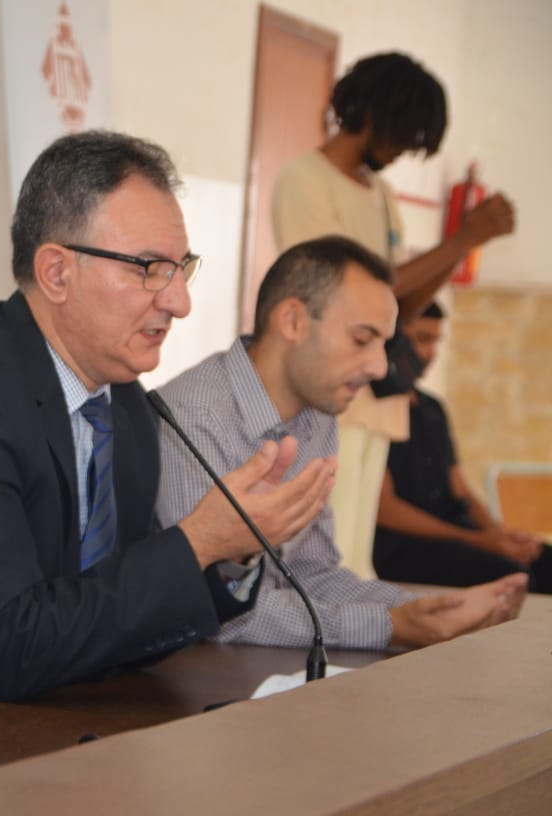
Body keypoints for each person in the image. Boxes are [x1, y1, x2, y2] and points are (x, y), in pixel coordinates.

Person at [0, 131, 335, 727]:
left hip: (67, 720)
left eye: (181, 268)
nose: (179, 301)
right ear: (56, 272)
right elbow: (10, 645)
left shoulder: (126, 403)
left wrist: (230, 553)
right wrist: (198, 543)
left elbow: (117, 613)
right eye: (150, 269)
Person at [156, 237, 525, 651]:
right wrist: (388, 626)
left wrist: (427, 609)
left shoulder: (317, 415)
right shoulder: (192, 418)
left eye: (384, 344)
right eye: (362, 339)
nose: (380, 367)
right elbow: (217, 611)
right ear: (293, 321)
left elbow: (313, 574)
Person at [271, 52, 516, 578]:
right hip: (325, 390)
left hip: (375, 389)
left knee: (356, 558)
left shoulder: (380, 194)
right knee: (324, 554)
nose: (403, 152)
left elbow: (399, 305)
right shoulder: (305, 180)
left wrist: (463, 246)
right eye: (403, 137)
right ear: (374, 113)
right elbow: (343, 292)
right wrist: (462, 239)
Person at [375, 302, 552, 592]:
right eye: (421, 339)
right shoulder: (375, 407)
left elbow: (461, 490)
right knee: (512, 576)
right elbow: (384, 508)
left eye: (436, 341)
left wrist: (500, 534)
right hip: (406, 545)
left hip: (456, 532)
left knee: (544, 562)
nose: (430, 352)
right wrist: (477, 540)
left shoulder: (432, 408)